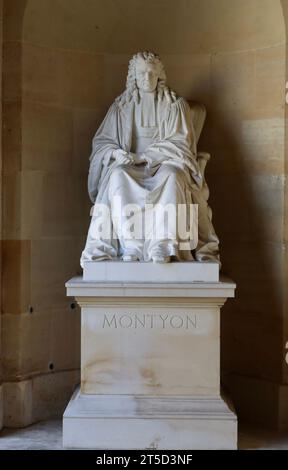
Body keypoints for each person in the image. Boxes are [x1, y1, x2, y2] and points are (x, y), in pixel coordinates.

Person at [80, 51, 220, 267]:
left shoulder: (175, 105)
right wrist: (117, 154)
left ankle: (163, 244)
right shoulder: (121, 107)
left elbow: (180, 144)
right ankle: (132, 246)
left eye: (152, 73)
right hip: (130, 168)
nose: (147, 78)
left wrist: (145, 156)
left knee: (173, 177)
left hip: (164, 164)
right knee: (117, 176)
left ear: (160, 76)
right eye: (142, 73)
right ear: (133, 77)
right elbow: (102, 142)